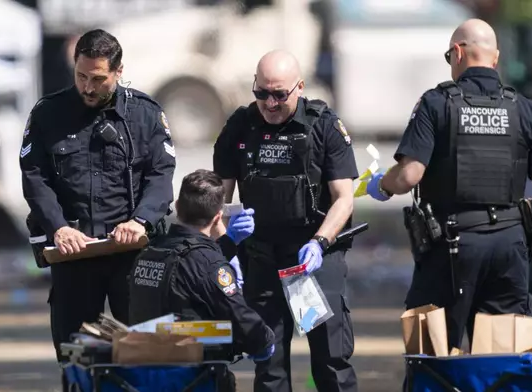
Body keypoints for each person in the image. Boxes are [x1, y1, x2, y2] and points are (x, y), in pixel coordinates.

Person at [366, 19, 532, 350]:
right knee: (502, 360)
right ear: (496, 58)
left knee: (431, 357)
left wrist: (383, 185)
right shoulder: (527, 111)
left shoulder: (436, 103)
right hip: (509, 248)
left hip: (450, 248)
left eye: (449, 56)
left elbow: (409, 175)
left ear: (458, 53)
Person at [19, 29, 176, 363]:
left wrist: (141, 219)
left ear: (118, 72)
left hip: (131, 252)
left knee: (141, 356)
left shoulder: (145, 114)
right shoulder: (49, 113)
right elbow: (34, 176)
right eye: (81, 76)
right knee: (76, 359)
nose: (88, 87)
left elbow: (161, 175)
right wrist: (58, 227)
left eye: (98, 78)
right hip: (73, 251)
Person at [213, 50, 358, 392]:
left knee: (331, 360)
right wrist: (227, 242)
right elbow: (217, 201)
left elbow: (344, 198)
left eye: (280, 94)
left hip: (312, 258)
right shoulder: (240, 126)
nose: (271, 103)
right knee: (270, 363)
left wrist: (320, 242)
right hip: (261, 257)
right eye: (262, 93)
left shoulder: (323, 125)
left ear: (300, 87)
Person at [128, 169, 275, 366]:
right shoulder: (207, 263)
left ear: (178, 207)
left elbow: (192, 266)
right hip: (193, 374)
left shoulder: (150, 251)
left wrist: (228, 243)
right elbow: (238, 315)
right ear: (217, 218)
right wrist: (264, 340)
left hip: (144, 370)